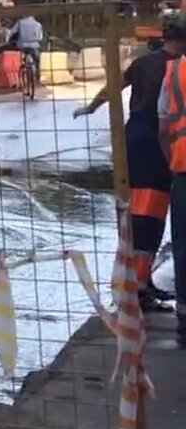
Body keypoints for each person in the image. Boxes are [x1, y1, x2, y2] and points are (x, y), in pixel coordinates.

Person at [76, 17, 186, 313]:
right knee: (148, 218)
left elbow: (115, 86)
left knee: (138, 215)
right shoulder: (178, 68)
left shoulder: (143, 63)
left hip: (135, 135)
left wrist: (91, 106)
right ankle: (135, 289)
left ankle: (139, 282)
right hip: (157, 141)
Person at [8, 12, 44, 82]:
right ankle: (38, 75)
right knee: (37, 60)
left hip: (22, 45)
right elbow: (40, 38)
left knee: (21, 59)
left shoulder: (20, 22)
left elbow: (12, 32)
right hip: (34, 46)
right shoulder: (38, 24)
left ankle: (22, 69)